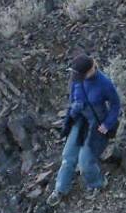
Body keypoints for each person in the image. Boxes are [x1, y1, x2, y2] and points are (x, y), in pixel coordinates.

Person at [52, 53, 122, 203]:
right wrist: (73, 111)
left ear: (90, 70)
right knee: (68, 156)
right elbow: (72, 98)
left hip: (96, 126)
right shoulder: (76, 78)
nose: (76, 79)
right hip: (80, 122)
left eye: (80, 75)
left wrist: (108, 124)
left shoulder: (104, 84)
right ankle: (59, 189)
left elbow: (116, 105)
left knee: (85, 163)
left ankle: (97, 184)